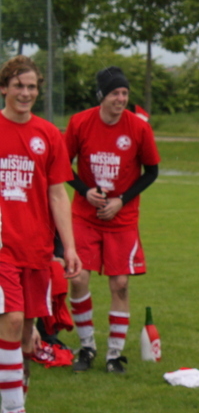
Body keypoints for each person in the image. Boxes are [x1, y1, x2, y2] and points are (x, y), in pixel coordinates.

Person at [0, 55, 82, 413]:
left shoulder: (48, 134)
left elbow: (57, 194)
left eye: (31, 86)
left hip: (36, 248)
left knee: (26, 338)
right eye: (18, 85)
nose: (25, 93)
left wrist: (69, 246)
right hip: (2, 246)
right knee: (12, 320)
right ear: (3, 88)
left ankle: (11, 410)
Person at [65, 66, 161, 375]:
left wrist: (121, 200)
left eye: (124, 93)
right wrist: (85, 191)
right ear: (101, 96)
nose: (121, 99)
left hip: (122, 219)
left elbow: (152, 171)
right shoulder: (80, 122)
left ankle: (114, 355)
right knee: (78, 278)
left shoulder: (138, 128)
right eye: (115, 93)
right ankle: (87, 347)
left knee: (120, 284)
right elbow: (62, 165)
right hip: (85, 216)